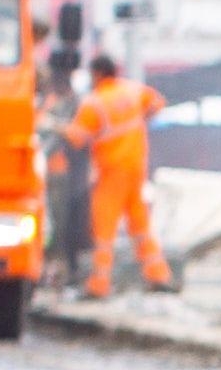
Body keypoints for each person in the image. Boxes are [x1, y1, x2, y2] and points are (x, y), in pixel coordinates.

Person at [72, 51, 171, 298]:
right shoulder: (134, 90)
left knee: (104, 229)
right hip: (136, 168)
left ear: (96, 74)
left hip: (111, 172)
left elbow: (77, 138)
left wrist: (59, 126)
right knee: (140, 224)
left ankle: (99, 284)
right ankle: (158, 275)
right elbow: (157, 105)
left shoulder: (94, 102)